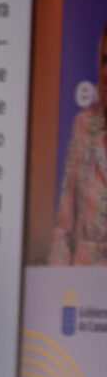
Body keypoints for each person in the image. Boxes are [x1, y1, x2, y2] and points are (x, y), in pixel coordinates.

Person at [49, 23, 107, 266]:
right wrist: (56, 280)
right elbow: (65, 228)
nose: (106, 71)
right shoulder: (83, 124)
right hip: (82, 282)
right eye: (105, 60)